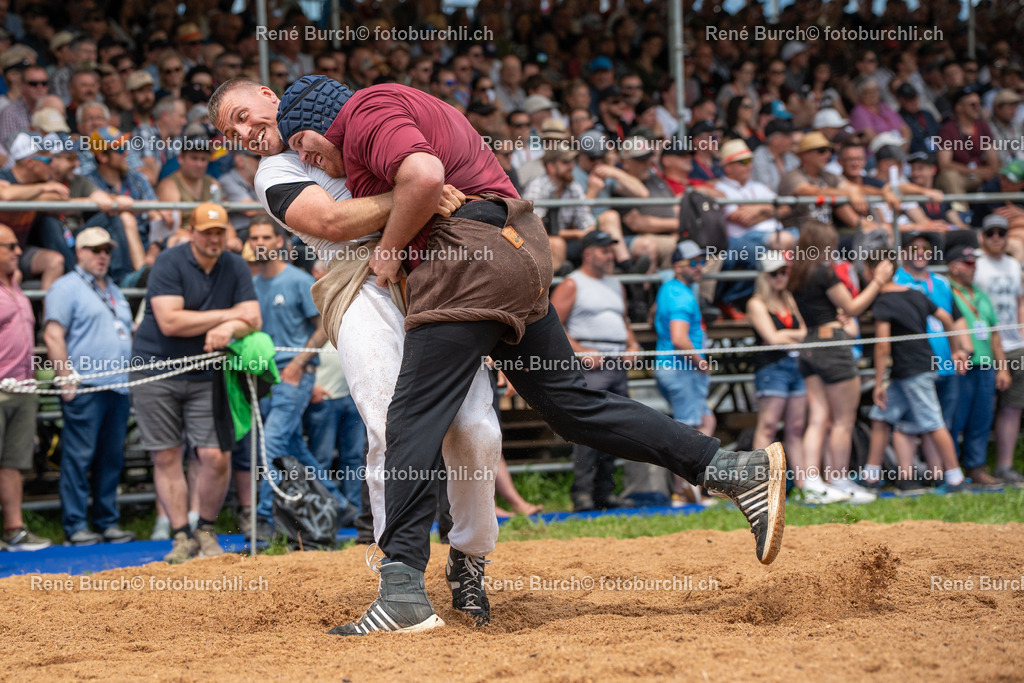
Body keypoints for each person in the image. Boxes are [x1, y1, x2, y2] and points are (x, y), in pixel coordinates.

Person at [265, 76, 788, 634]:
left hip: (464, 265)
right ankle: (733, 468)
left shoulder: (367, 110)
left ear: (323, 119)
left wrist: (391, 254)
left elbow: (422, 176)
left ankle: (402, 593)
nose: (306, 159)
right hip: (517, 252)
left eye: (302, 143)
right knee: (571, 406)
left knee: (409, 421)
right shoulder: (401, 110)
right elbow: (424, 179)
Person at [209, 77, 507, 627]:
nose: (245, 133)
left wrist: (421, 191)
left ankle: (469, 559)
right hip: (357, 283)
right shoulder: (275, 172)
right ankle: (401, 579)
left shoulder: (352, 116)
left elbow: (429, 165)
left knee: (476, 429)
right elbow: (329, 222)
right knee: (387, 420)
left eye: (245, 116)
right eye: (233, 132)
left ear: (272, 96)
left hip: (431, 266)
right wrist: (415, 192)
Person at [130, 202, 261, 564]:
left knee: (216, 456)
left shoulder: (235, 265)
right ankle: (181, 536)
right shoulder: (169, 262)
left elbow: (254, 318)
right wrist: (228, 316)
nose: (214, 238)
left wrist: (229, 327)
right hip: (155, 369)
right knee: (167, 454)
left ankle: (205, 528)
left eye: (220, 231)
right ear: (192, 233)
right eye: (207, 231)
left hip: (207, 372)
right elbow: (170, 322)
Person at [243, 216, 353, 530]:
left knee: (272, 444)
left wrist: (298, 365)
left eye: (266, 236)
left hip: (293, 376)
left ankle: (265, 519)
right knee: (293, 446)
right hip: (266, 378)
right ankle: (339, 503)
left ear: (280, 242)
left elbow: (324, 327)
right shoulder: (252, 286)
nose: (260, 242)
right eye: (254, 238)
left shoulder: (298, 280)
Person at [43, 227, 136, 544]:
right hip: (85, 386)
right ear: (79, 252)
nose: (102, 256)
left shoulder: (113, 289)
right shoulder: (66, 287)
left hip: (118, 386)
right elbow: (53, 334)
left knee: (111, 458)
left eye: (107, 250)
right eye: (95, 250)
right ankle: (75, 525)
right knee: (79, 457)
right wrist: (64, 375)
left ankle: (106, 522)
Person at [788, 220, 892, 504]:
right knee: (843, 420)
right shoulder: (823, 271)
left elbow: (823, 310)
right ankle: (839, 478)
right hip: (832, 346)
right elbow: (854, 307)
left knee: (819, 417)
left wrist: (836, 315)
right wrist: (878, 281)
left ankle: (812, 482)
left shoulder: (797, 274)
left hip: (809, 344)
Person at [550, 230, 642, 511]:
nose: (610, 255)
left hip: (615, 362)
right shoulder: (572, 284)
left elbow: (623, 321)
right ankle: (583, 493)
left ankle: (605, 491)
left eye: (611, 250)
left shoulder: (616, 285)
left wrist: (633, 344)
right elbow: (552, 326)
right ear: (588, 253)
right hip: (592, 365)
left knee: (616, 430)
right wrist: (581, 351)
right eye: (604, 250)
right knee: (588, 430)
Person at [863, 254, 969, 493]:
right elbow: (945, 317)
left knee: (933, 422)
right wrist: (956, 350)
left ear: (872, 272)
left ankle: (955, 479)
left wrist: (878, 383)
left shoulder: (883, 300)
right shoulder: (915, 294)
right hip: (910, 370)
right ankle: (870, 476)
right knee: (880, 415)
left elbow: (882, 346)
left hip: (913, 371)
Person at [0, 223, 52, 551]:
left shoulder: (14, 284)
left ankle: (14, 529)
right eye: (9, 247)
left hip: (23, 387)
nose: (19, 251)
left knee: (15, 462)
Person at [946, 244, 1010, 485]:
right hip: (961, 366)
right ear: (953, 266)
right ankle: (950, 469)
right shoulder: (946, 291)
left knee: (982, 419)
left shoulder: (980, 294)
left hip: (985, 365)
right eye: (968, 263)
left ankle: (975, 466)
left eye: (975, 263)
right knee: (955, 419)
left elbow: (994, 335)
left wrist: (1002, 367)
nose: (974, 268)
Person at [746, 253, 808, 488]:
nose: (781, 277)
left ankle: (803, 486)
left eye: (784, 272)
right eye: (775, 273)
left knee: (795, 428)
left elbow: (804, 333)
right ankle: (757, 485)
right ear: (764, 276)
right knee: (768, 426)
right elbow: (771, 338)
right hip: (772, 368)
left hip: (794, 366)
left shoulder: (789, 298)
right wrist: (786, 337)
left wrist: (783, 336)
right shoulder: (756, 303)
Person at [973, 215, 1024, 483]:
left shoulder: (1014, 266)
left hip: (1015, 344)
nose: (996, 237)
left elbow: (1020, 302)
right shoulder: (976, 264)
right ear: (982, 236)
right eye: (990, 232)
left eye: (1001, 233)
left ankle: (1004, 465)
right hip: (986, 345)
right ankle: (977, 465)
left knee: (1013, 406)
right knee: (984, 407)